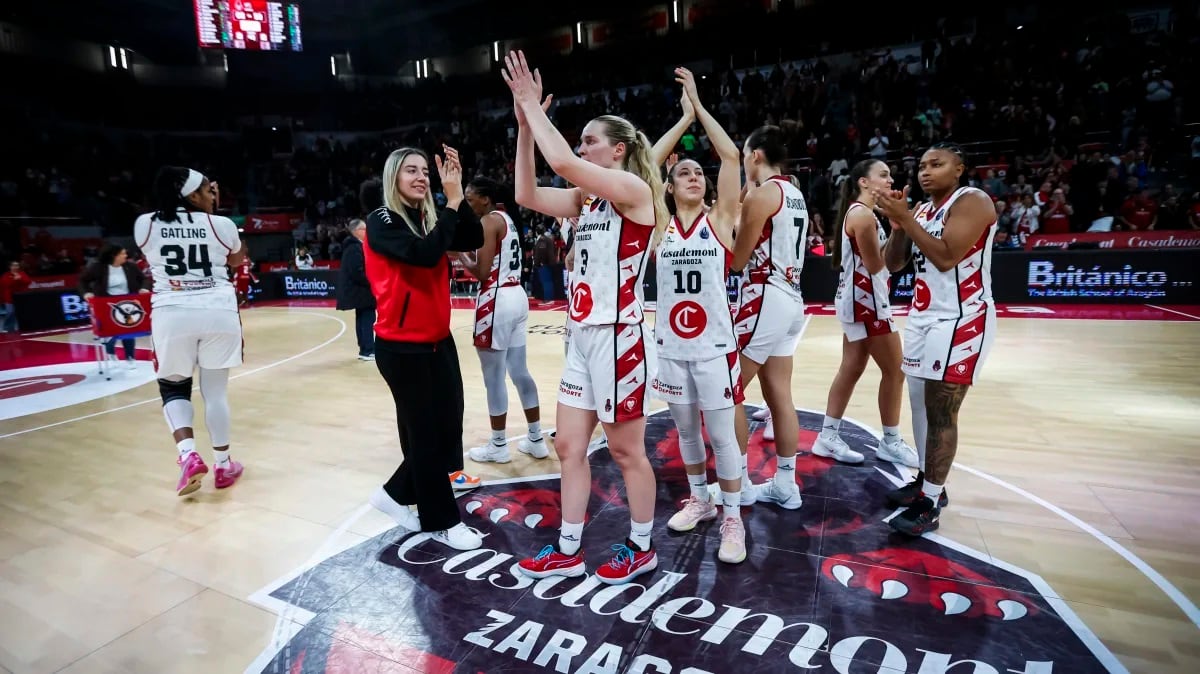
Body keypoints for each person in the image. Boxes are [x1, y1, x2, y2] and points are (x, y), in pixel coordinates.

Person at [503, 51, 666, 584]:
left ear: (617, 150)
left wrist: (533, 103)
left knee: (624, 451)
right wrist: (526, 127)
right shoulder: (587, 201)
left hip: (620, 338)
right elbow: (527, 193)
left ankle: (641, 546)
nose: (582, 147)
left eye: (591, 140)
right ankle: (568, 549)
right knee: (570, 446)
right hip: (581, 338)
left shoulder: (634, 192)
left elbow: (566, 165)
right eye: (581, 140)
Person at [363, 144, 487, 551]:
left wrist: (457, 197)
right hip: (401, 348)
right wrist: (450, 203)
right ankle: (441, 521)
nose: (420, 177)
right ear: (393, 177)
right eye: (410, 170)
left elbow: (472, 236)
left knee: (447, 427)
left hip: (437, 340)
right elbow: (422, 254)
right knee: (426, 436)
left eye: (424, 172)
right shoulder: (381, 220)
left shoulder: (427, 216)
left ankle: (395, 494)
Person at [649, 68, 749, 563]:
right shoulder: (658, 226)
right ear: (668, 187)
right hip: (669, 346)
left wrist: (700, 107)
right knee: (686, 433)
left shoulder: (721, 220)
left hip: (713, 346)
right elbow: (647, 161)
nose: (694, 176)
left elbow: (730, 155)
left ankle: (733, 515)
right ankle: (701, 499)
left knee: (721, 433)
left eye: (697, 173)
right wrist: (681, 117)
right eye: (683, 173)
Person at [875, 142, 998, 535]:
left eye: (937, 164)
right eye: (922, 165)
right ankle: (929, 483)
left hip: (962, 319)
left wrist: (906, 219)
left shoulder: (973, 201)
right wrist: (899, 226)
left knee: (942, 411)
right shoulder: (924, 211)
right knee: (920, 407)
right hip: (923, 317)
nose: (925, 171)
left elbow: (947, 256)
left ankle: (930, 504)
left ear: (959, 168)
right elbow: (894, 263)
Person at [134, 167, 246, 496]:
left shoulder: (144, 223)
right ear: (193, 195)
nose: (213, 196)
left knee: (173, 388)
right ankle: (224, 465)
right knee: (215, 392)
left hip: (172, 312)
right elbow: (237, 261)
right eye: (208, 192)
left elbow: (152, 251)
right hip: (218, 310)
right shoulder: (221, 224)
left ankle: (188, 455)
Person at [816, 159, 919, 467]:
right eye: (883, 175)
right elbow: (878, 266)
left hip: (860, 300)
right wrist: (900, 222)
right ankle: (890, 441)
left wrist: (898, 225)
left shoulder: (868, 215)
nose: (890, 180)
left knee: (852, 367)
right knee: (895, 369)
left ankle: (828, 436)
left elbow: (890, 263)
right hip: (866, 302)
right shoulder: (862, 216)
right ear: (864, 182)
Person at [731, 126, 809, 510]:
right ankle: (785, 485)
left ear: (756, 155)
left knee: (727, 390)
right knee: (780, 395)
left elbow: (737, 259)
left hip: (765, 296)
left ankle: (739, 484)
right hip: (792, 299)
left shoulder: (763, 195)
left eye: (745, 154)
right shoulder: (795, 193)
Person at [456, 176, 548, 463]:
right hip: (517, 296)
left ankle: (498, 444)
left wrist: (459, 256)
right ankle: (535, 438)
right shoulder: (507, 219)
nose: (468, 204)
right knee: (519, 371)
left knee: (493, 378)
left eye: (470, 199)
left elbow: (483, 273)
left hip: (496, 299)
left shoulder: (488, 222)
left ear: (485, 199)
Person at [80, 243, 151, 370]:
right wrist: (87, 292)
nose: (126, 255)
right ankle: (111, 353)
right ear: (114, 255)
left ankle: (130, 357)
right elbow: (82, 281)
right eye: (123, 253)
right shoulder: (98, 267)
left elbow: (144, 279)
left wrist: (144, 288)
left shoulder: (130, 266)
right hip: (106, 304)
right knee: (110, 332)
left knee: (129, 329)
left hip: (127, 302)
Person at [336, 219, 376, 361]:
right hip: (361, 292)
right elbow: (357, 272)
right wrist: (372, 283)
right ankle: (368, 349)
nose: (367, 232)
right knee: (367, 320)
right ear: (356, 232)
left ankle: (365, 349)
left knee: (363, 319)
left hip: (359, 292)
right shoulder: (354, 248)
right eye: (364, 229)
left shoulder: (354, 246)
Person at [1, 261, 31, 333]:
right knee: (10, 312)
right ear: (10, 267)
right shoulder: (6, 275)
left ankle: (23, 327)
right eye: (13, 266)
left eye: (17, 265)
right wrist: (14, 280)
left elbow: (28, 281)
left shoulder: (22, 273)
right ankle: (8, 328)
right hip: (9, 297)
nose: (15, 267)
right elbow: (6, 284)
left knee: (22, 313)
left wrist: (20, 278)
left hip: (20, 297)